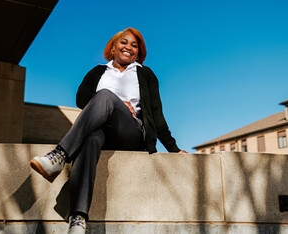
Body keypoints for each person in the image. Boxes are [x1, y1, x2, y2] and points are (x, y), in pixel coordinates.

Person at [29, 27, 187, 234]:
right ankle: (78, 219)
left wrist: (173, 149)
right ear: (112, 48)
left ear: (138, 53)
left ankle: (59, 155)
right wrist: (112, 98)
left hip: (131, 132)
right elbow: (81, 101)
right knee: (91, 138)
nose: (129, 47)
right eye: (124, 42)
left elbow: (156, 115)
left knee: (105, 95)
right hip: (102, 133)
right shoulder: (98, 72)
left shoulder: (144, 74)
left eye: (134, 45)